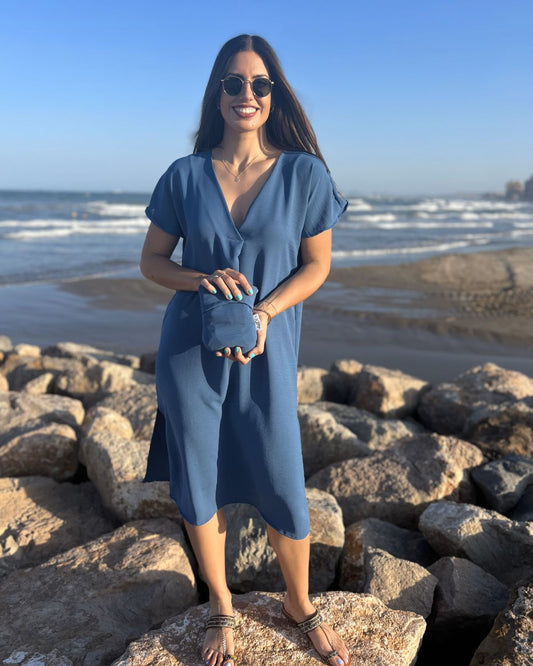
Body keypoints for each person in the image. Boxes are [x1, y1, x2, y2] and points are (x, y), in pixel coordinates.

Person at [140, 34, 350, 666]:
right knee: (199, 480)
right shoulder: (184, 176)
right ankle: (221, 605)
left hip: (269, 350)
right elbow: (152, 262)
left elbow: (316, 267)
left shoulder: (305, 174)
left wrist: (264, 313)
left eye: (260, 84)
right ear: (218, 93)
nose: (247, 94)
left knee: (282, 481)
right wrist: (200, 278)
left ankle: (299, 603)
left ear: (274, 94)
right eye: (234, 83)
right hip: (189, 352)